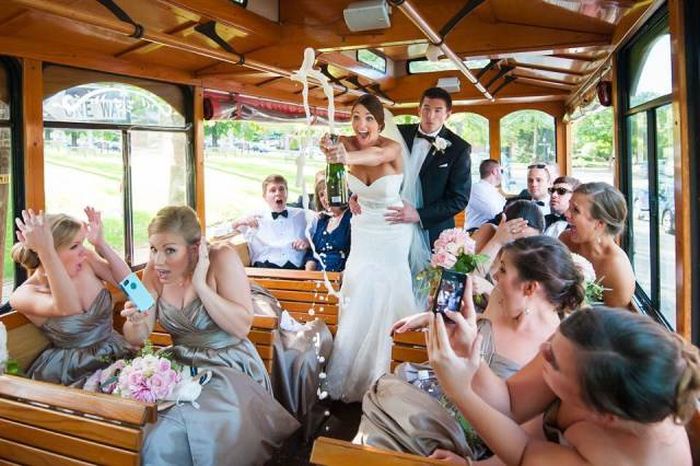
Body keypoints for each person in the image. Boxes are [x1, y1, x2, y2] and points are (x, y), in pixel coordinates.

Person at [359, 236, 586, 459]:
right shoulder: (499, 299)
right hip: (435, 396)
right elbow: (478, 329)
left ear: (529, 288)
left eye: (503, 270)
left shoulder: (558, 349)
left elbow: (525, 439)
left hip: (475, 432)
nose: (494, 276)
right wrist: (438, 320)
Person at [120, 206, 299, 465]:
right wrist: (135, 321)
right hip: (179, 364)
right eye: (153, 249)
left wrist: (201, 287)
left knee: (165, 432)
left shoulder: (222, 258)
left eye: (170, 250)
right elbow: (137, 337)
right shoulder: (153, 272)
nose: (158, 261)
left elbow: (241, 327)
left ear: (195, 248)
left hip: (229, 366)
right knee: (139, 423)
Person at [427, 306, 699, 465]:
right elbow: (509, 403)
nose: (542, 350)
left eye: (552, 359)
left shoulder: (632, 459)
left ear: (603, 414)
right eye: (552, 340)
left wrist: (460, 391)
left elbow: (526, 453)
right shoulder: (583, 349)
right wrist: (469, 348)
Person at [320, 93, 418, 402]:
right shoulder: (343, 143)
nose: (361, 124)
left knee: (388, 289)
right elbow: (338, 176)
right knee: (358, 286)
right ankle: (351, 371)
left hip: (392, 229)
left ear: (380, 123)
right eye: (356, 117)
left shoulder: (392, 148)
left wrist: (343, 157)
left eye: (369, 118)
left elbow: (375, 158)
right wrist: (349, 188)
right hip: (362, 227)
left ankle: (387, 370)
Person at [9, 208, 132, 386]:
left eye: (82, 243)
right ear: (48, 252)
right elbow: (68, 308)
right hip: (71, 374)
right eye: (74, 246)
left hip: (117, 355)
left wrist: (101, 245)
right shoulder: (23, 295)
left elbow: (136, 291)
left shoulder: (86, 261)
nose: (83, 251)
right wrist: (46, 251)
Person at [392, 87, 472, 249]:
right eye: (426, 109)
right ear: (419, 110)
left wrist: (419, 215)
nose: (430, 116)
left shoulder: (459, 148)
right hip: (393, 221)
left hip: (432, 231)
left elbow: (459, 199)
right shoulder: (397, 134)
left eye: (437, 110)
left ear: (448, 114)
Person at [560, 182, 635, 308]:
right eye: (569, 207)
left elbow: (612, 317)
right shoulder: (565, 240)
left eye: (575, 210)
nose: (566, 214)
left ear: (600, 223)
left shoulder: (617, 269)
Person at [232, 174, 310, 269]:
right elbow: (222, 232)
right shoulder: (254, 216)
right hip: (264, 268)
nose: (278, 193)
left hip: (296, 269)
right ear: (264, 196)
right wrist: (239, 222)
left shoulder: (303, 215)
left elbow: (323, 226)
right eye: (273, 190)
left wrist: (307, 243)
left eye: (281, 189)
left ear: (287, 193)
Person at [304, 178, 352, 272]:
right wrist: (309, 275)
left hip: (342, 276)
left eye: (329, 192)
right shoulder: (322, 221)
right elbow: (312, 254)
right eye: (321, 195)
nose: (325, 198)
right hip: (318, 277)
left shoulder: (350, 218)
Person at [465, 159, 506, 232]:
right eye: (501, 171)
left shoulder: (494, 192)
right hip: (475, 232)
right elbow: (494, 213)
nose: (502, 174)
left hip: (491, 230)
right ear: (495, 171)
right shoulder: (477, 189)